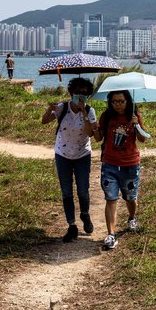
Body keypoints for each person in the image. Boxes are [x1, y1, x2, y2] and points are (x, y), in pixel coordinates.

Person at [41, 77, 97, 243]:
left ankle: (85, 215)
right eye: (77, 92)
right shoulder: (62, 108)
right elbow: (44, 121)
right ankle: (72, 226)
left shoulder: (90, 110)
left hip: (82, 155)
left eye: (84, 94)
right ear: (71, 93)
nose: (80, 96)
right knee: (66, 192)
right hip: (62, 155)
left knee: (82, 190)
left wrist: (84, 112)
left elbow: (90, 133)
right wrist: (49, 110)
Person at [93, 90, 147, 250]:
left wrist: (137, 124)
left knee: (130, 197)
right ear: (110, 102)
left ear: (127, 101)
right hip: (109, 164)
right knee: (111, 198)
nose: (118, 104)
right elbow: (98, 138)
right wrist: (96, 128)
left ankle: (131, 217)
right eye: (114, 101)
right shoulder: (107, 116)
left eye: (121, 101)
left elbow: (143, 139)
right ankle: (111, 234)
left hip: (130, 164)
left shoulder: (134, 114)